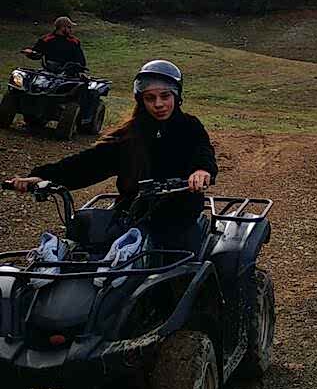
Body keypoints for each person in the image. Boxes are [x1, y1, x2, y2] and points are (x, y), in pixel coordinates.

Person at [9, 60, 216, 253]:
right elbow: (88, 162)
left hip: (179, 216)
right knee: (91, 250)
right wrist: (42, 176)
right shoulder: (131, 134)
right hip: (133, 214)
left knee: (185, 262)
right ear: (141, 101)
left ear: (176, 96)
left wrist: (201, 170)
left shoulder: (189, 126)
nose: (158, 104)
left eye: (165, 96)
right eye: (150, 98)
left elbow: (203, 150)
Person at [22, 16, 87, 72]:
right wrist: (29, 53)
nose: (71, 30)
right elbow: (37, 54)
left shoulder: (74, 41)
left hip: (69, 72)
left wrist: (79, 69)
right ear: (62, 27)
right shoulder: (46, 39)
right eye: (69, 27)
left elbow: (81, 60)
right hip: (50, 71)